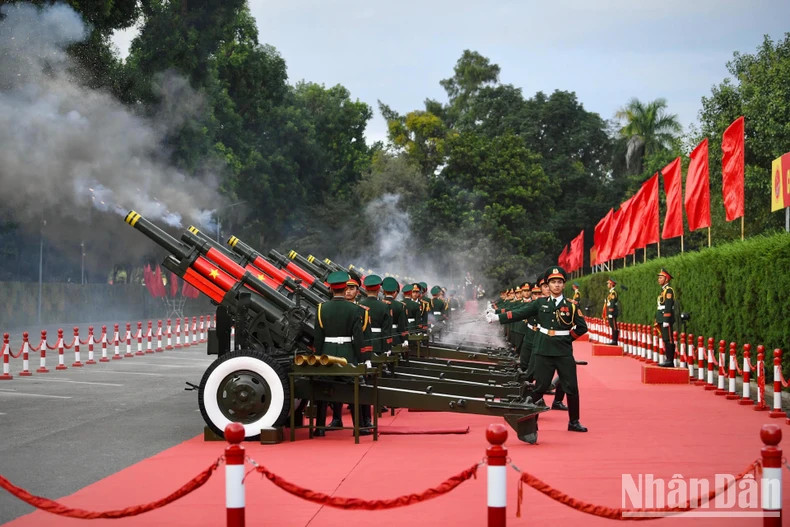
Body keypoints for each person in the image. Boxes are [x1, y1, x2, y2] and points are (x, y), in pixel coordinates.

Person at [490, 266, 588, 443]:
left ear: (563, 285)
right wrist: (498, 317)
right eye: (553, 282)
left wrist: (567, 339)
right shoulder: (540, 303)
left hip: (563, 351)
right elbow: (520, 313)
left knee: (571, 387)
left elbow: (582, 327)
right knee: (540, 387)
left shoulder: (571, 306)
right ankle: (529, 420)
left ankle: (574, 421)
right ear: (548, 285)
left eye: (559, 282)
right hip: (543, 350)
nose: (556, 285)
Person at [313, 271, 368, 437]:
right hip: (347, 354)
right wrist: (361, 358)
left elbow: (318, 338)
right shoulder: (354, 309)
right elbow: (358, 338)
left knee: (324, 389)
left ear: (330, 289)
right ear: (345, 288)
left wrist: (319, 357)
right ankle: (359, 427)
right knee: (354, 389)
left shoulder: (321, 308)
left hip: (328, 353)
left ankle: (320, 428)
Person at [656, 268, 677, 367]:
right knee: (665, 339)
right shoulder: (664, 291)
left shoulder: (669, 290)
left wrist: (666, 319)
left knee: (669, 339)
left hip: (666, 318)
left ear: (666, 279)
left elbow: (668, 306)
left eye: (661, 278)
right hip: (662, 318)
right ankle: (668, 359)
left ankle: (670, 360)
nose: (659, 280)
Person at [604, 279, 619, 345]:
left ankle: (614, 341)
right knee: (612, 326)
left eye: (608, 284)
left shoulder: (613, 292)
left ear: (611, 284)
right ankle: (613, 340)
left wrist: (610, 312)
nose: (607, 285)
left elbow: (612, 303)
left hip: (612, 312)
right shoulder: (611, 292)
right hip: (610, 312)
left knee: (614, 326)